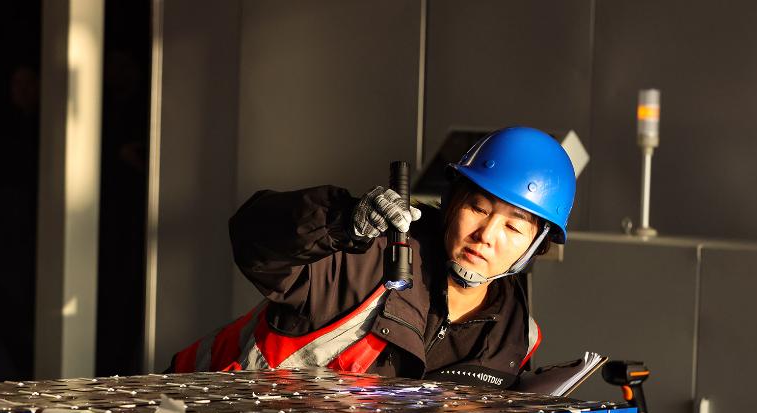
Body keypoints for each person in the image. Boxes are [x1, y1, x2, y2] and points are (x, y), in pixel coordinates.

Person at [170, 126, 575, 390]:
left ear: (537, 245)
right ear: (451, 203)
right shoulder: (369, 255)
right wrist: (340, 222)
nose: (486, 236)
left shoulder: (516, 335)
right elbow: (253, 238)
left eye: (513, 228)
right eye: (479, 208)